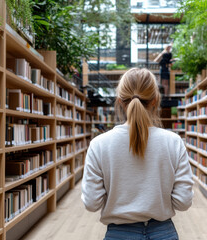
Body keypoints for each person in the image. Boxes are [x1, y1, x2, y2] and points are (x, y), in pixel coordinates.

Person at [81, 68, 194, 240]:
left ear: (119, 101)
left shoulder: (99, 144)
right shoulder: (173, 142)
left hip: (118, 234)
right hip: (163, 232)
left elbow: (91, 203)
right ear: (155, 100)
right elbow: (183, 202)